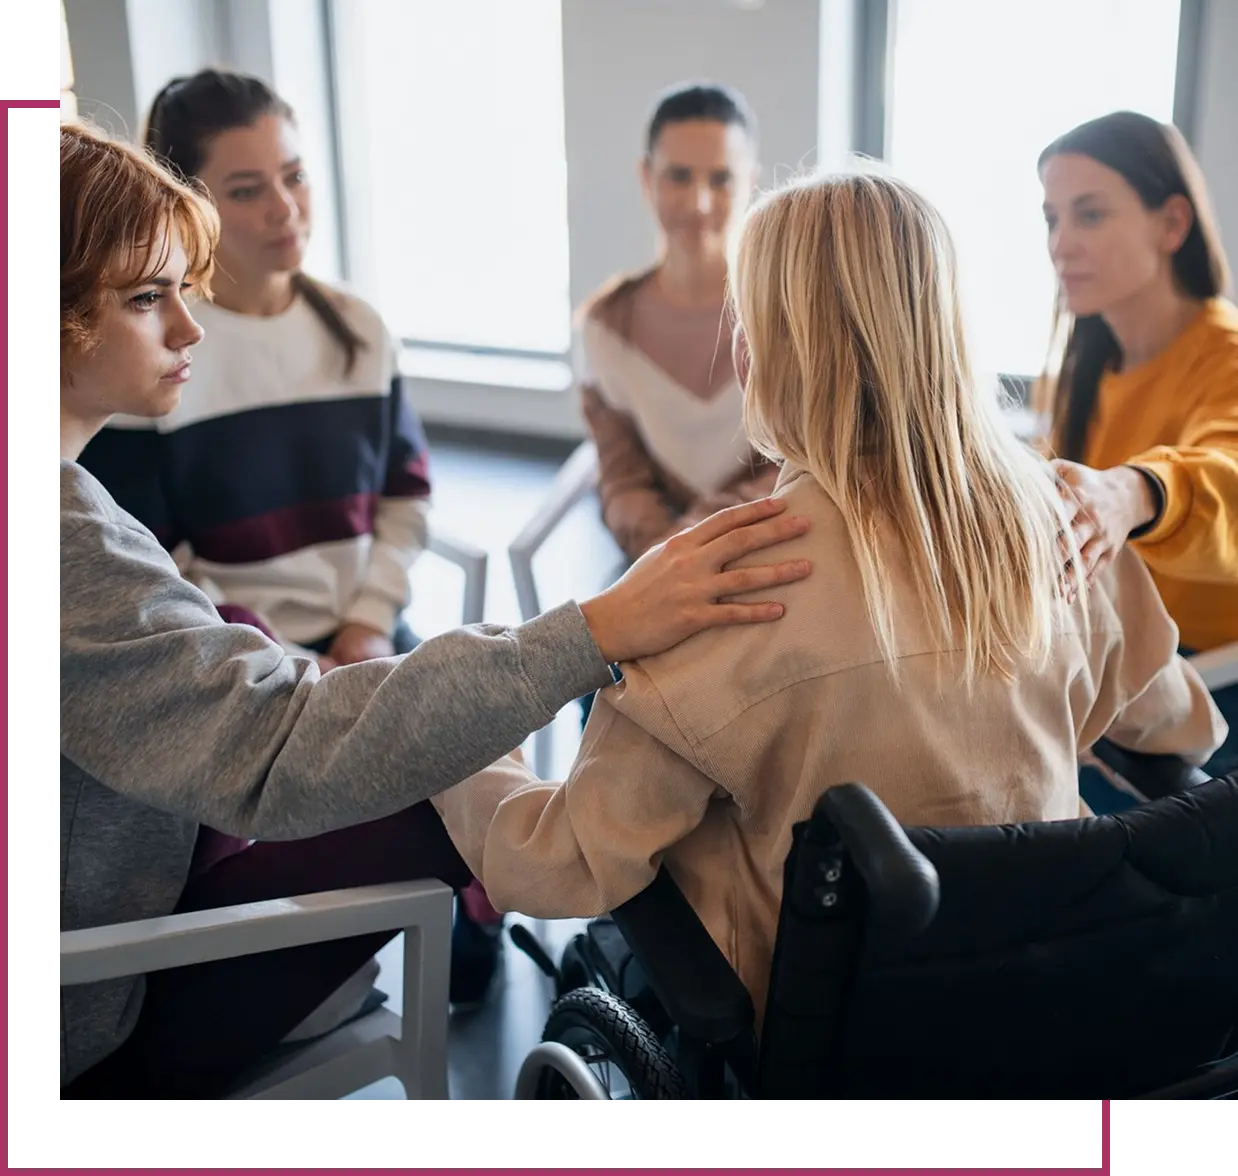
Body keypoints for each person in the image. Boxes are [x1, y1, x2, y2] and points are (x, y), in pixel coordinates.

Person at [56, 118, 814, 1099]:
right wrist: (595, 631)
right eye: (147, 298)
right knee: (433, 781)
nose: (191, 326)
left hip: (163, 848)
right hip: (89, 1016)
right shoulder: (69, 540)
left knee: (267, 642)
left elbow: (390, 512)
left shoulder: (85, 504)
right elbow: (280, 742)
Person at [431, 169, 1226, 1034]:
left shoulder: (728, 589)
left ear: (765, 347)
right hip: (1047, 998)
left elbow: (559, 864)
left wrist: (467, 743)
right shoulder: (1075, 530)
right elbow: (1184, 735)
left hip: (832, 1028)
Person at [74, 68, 496, 1002]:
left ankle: (466, 952)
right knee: (420, 790)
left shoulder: (356, 328)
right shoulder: (156, 358)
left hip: (360, 629)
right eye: (247, 188)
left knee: (471, 765)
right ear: (195, 206)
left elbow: (406, 497)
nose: (285, 208)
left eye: (295, 176)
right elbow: (150, 562)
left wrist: (369, 625)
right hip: (231, 651)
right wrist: (288, 657)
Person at [1036, 110, 1238, 796]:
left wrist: (1129, 493)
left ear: (1172, 224)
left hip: (1211, 694)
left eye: (1089, 216)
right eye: (1051, 219)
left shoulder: (1227, 356)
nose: (1061, 244)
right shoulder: (1080, 372)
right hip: (1124, 677)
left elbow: (1226, 476)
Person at [573, 81, 776, 722]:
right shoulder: (605, 324)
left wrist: (695, 541)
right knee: (597, 686)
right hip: (655, 558)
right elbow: (620, 472)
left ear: (752, 180)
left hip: (770, 552)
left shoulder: (786, 310)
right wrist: (662, 554)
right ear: (646, 177)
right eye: (678, 177)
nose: (699, 202)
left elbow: (798, 463)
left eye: (721, 178)